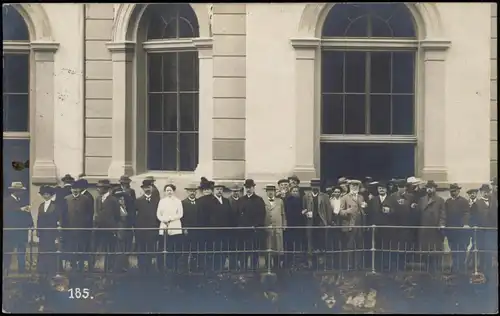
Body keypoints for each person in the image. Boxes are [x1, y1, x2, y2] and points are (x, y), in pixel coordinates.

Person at [4, 182, 33, 274]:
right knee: (8, 250)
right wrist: (20, 209)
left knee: (22, 249)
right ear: (15, 191)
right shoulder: (7, 201)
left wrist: (30, 223)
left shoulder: (22, 201)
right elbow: (8, 213)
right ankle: (6, 269)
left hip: (21, 230)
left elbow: (27, 213)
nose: (21, 192)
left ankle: (22, 269)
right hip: (11, 231)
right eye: (19, 191)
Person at [64, 179, 94, 272]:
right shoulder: (66, 199)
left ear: (80, 189)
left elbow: (90, 213)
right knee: (71, 247)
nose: (75, 190)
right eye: (73, 188)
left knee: (81, 247)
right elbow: (63, 214)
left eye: (77, 188)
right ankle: (73, 265)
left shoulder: (86, 199)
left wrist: (86, 226)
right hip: (70, 228)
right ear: (71, 189)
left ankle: (81, 265)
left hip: (82, 229)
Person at [302, 178, 332, 267]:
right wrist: (306, 213)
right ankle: (311, 262)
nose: (315, 188)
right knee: (311, 242)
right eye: (313, 186)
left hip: (321, 222)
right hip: (310, 222)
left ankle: (322, 262)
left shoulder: (324, 196)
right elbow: (303, 209)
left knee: (321, 242)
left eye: (317, 186)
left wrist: (328, 222)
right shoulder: (306, 197)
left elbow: (328, 210)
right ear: (311, 187)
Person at [417, 180, 446, 271]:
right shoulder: (421, 200)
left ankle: (436, 270)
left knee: (435, 251)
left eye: (431, 188)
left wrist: (441, 224)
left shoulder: (440, 200)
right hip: (424, 228)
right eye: (428, 188)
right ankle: (426, 270)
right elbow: (418, 214)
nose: (429, 190)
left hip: (435, 229)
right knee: (425, 250)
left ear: (435, 189)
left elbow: (443, 214)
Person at [339, 179, 367, 270]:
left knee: (359, 246)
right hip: (349, 225)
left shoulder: (361, 197)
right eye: (352, 186)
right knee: (349, 246)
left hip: (360, 224)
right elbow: (340, 211)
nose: (354, 187)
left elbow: (362, 209)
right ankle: (349, 265)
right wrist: (347, 211)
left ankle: (358, 265)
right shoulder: (344, 197)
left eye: (356, 186)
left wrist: (364, 208)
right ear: (349, 187)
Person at [94, 179, 121, 272]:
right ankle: (102, 268)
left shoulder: (113, 200)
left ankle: (110, 268)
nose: (98, 189)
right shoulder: (98, 199)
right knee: (102, 248)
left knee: (111, 249)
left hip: (110, 229)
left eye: (100, 188)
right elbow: (97, 212)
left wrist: (114, 227)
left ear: (105, 189)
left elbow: (117, 216)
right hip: (100, 229)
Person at [239, 179, 266, 271]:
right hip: (244, 231)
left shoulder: (259, 200)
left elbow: (262, 214)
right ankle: (244, 268)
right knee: (244, 251)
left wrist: (256, 225)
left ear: (253, 188)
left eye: (250, 187)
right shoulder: (241, 200)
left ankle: (254, 268)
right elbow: (239, 214)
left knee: (254, 250)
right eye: (246, 188)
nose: (248, 189)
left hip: (255, 230)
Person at [471, 184, 497, 277]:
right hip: (481, 232)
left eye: (487, 191)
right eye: (484, 191)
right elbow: (472, 219)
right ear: (481, 192)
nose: (486, 193)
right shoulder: (476, 204)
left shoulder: (493, 203)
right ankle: (481, 270)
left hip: (490, 232)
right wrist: (475, 227)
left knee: (489, 251)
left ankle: (489, 271)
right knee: (481, 251)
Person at [156, 184, 184, 272]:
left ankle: (174, 266)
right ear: (165, 192)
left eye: (171, 190)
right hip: (164, 225)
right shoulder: (162, 201)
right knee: (164, 246)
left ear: (174, 191)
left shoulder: (178, 201)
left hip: (175, 225)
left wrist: (170, 219)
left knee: (174, 246)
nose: (169, 192)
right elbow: (158, 214)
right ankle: (164, 267)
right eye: (167, 190)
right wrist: (163, 220)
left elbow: (180, 214)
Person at [134, 180, 160, 273]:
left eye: (148, 187)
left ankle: (149, 267)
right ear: (142, 189)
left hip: (152, 229)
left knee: (150, 248)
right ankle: (141, 266)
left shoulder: (156, 201)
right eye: (145, 188)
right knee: (141, 248)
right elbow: (135, 215)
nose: (147, 189)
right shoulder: (138, 201)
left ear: (151, 188)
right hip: (141, 229)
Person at [444, 183, 471, 272]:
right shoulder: (447, 202)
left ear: (458, 191)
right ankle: (455, 267)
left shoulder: (463, 201)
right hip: (451, 231)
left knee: (462, 249)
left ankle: (462, 268)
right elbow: (445, 215)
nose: (453, 193)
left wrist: (465, 224)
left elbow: (466, 213)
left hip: (461, 231)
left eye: (454, 191)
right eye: (451, 191)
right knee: (453, 249)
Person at [36, 185, 60, 276]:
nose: (45, 196)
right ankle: (42, 269)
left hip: (51, 231)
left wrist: (57, 231)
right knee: (42, 250)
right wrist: (38, 230)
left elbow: (58, 218)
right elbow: (39, 218)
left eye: (47, 194)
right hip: (42, 231)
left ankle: (51, 269)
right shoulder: (41, 205)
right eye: (44, 194)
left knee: (50, 249)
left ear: (51, 195)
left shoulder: (55, 206)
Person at [263, 184, 287, 270]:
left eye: (272, 191)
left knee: (278, 246)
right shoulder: (263, 201)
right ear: (266, 192)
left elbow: (283, 214)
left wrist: (284, 224)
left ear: (274, 192)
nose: (270, 193)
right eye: (268, 191)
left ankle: (277, 266)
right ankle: (268, 265)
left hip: (278, 227)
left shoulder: (280, 201)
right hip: (267, 228)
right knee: (268, 246)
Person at [210, 183, 232, 270]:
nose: (219, 191)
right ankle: (215, 267)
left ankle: (222, 266)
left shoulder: (226, 201)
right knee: (216, 249)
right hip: (215, 230)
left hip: (225, 230)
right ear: (214, 190)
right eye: (217, 189)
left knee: (224, 249)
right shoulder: (210, 201)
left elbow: (229, 214)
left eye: (221, 189)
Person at [284, 186, 306, 267]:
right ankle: (289, 262)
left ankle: (297, 262)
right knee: (290, 245)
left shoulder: (301, 200)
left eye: (297, 191)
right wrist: (301, 213)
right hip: (291, 225)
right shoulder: (288, 200)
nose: (295, 192)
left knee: (298, 245)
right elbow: (289, 213)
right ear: (290, 192)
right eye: (294, 191)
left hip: (299, 226)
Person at [112, 189, 134, 272]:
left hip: (126, 230)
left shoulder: (125, 208)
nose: (122, 201)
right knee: (120, 249)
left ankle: (124, 265)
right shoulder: (117, 209)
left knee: (125, 249)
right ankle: (119, 267)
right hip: (120, 230)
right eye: (120, 199)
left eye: (123, 199)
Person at [180, 183, 200, 270]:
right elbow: (182, 217)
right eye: (190, 191)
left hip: (197, 230)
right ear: (187, 192)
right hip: (187, 230)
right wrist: (184, 228)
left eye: (194, 191)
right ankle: (184, 268)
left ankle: (193, 267)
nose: (192, 193)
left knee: (195, 250)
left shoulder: (199, 202)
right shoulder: (183, 203)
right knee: (185, 250)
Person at [227, 184, 244, 269]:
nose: (236, 193)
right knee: (232, 247)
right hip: (232, 228)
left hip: (241, 228)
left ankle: (241, 265)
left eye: (237, 191)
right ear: (231, 192)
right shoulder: (228, 201)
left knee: (240, 247)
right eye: (234, 191)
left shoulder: (242, 200)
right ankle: (232, 266)